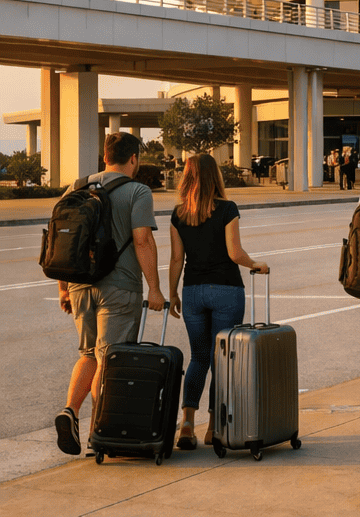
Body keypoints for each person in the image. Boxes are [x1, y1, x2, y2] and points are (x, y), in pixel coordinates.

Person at [54, 132, 165, 456]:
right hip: (119, 288)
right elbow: (142, 240)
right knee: (110, 359)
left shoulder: (77, 186)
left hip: (79, 286)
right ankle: (100, 435)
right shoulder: (138, 191)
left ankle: (70, 411)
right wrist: (155, 290)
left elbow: (60, 238)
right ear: (134, 159)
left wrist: (63, 288)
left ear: (104, 157)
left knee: (88, 354)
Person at [168, 154, 269, 449]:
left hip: (193, 292)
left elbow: (176, 258)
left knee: (198, 357)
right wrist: (256, 265)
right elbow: (235, 253)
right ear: (216, 177)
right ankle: (214, 427)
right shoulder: (227, 208)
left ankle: (186, 423)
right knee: (221, 361)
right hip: (226, 290)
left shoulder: (178, 214)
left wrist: (172, 292)